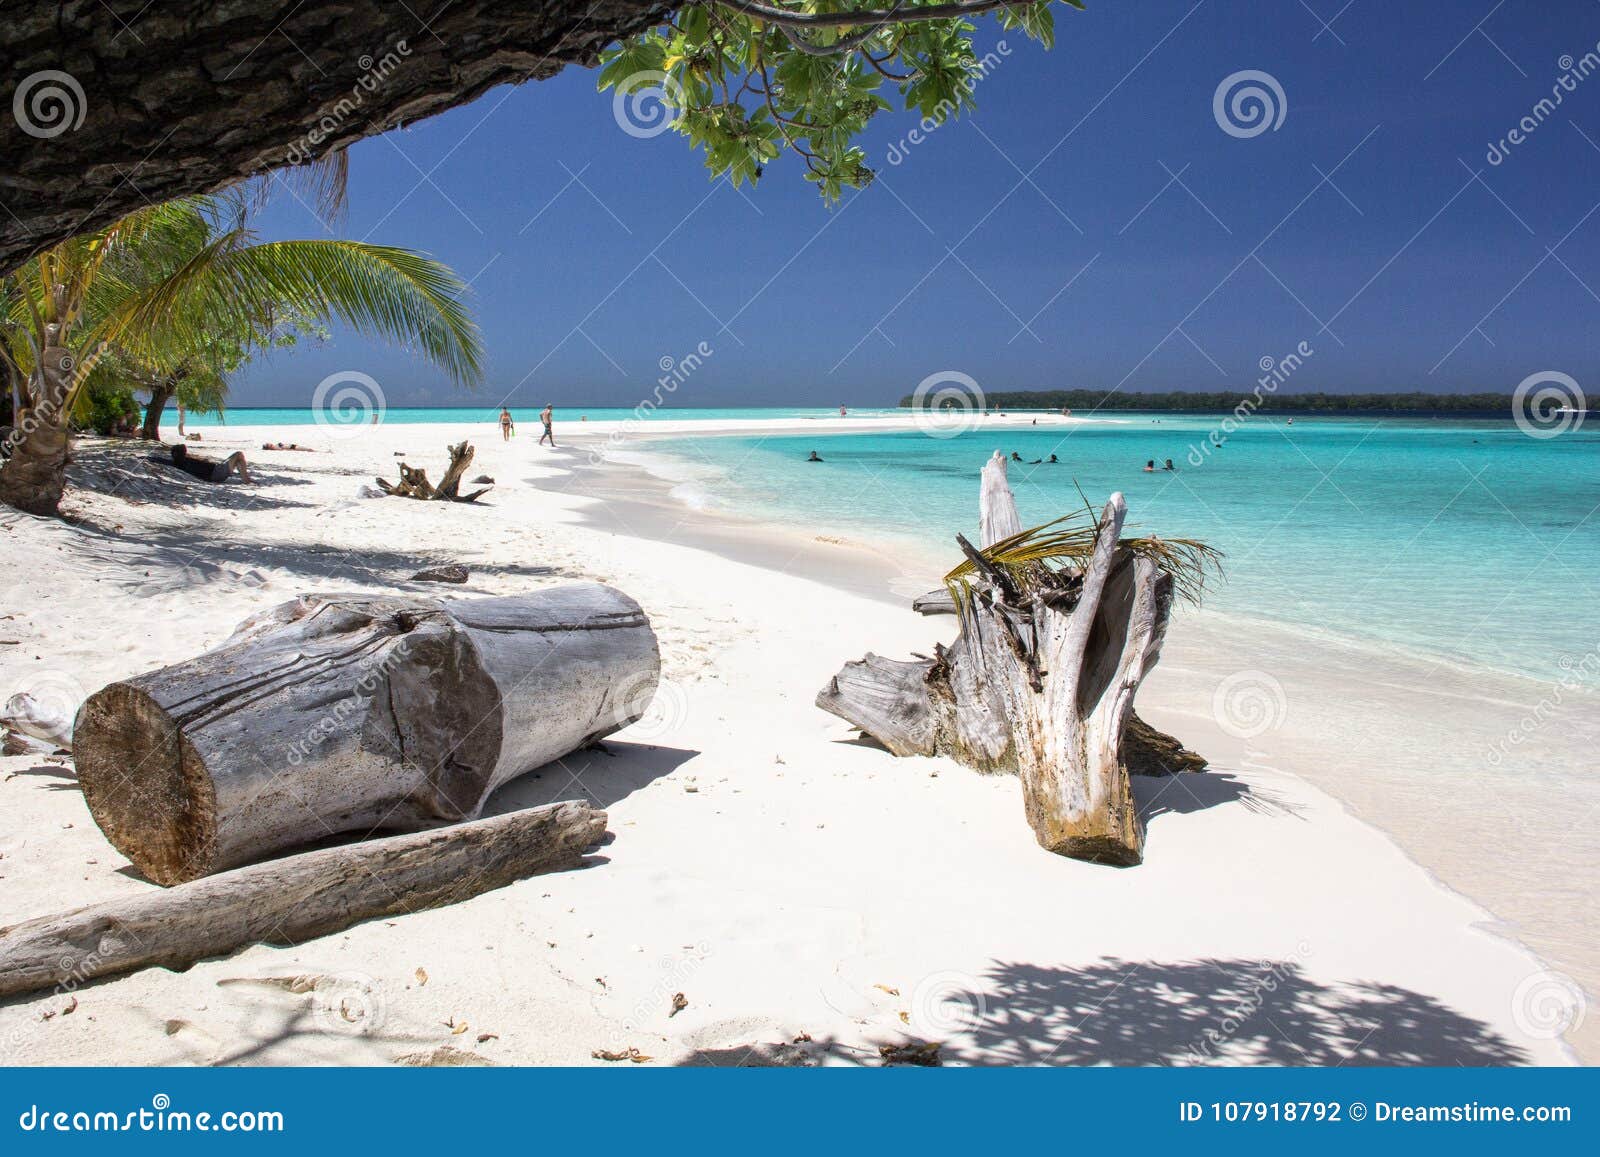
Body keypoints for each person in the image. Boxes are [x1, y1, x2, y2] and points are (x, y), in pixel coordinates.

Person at [165, 443, 253, 483]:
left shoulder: (180, 462)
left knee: (238, 460)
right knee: (239, 454)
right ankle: (246, 480)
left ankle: (245, 478)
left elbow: (163, 460)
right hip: (217, 472)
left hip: (216, 471)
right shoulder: (183, 461)